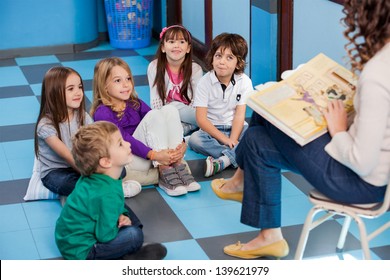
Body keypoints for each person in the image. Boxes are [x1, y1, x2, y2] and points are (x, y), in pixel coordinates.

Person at [211, 0, 390, 259]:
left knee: (265, 114)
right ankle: (266, 231)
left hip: (357, 183)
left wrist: (339, 129)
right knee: (258, 139)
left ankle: (242, 184)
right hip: (369, 175)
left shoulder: (377, 73)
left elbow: (362, 161)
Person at [55, 121, 167, 260]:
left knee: (128, 223)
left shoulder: (95, 178)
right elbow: (105, 235)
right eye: (120, 144)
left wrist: (121, 215)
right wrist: (118, 225)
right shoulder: (106, 193)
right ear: (106, 162)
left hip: (66, 242)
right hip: (83, 252)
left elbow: (108, 208)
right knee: (134, 235)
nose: (127, 144)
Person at [90, 57, 200, 196]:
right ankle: (164, 169)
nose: (125, 84)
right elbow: (123, 138)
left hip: (152, 155)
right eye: (118, 80)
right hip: (130, 159)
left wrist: (182, 144)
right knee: (154, 115)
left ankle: (177, 162)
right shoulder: (102, 112)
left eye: (128, 79)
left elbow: (160, 122)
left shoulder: (134, 102)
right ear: (104, 85)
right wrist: (154, 154)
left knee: (169, 110)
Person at [34, 66, 141, 200]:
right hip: (58, 171)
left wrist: (106, 166)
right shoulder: (45, 125)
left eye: (80, 87)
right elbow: (68, 156)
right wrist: (99, 175)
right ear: (54, 93)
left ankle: (99, 190)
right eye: (71, 89)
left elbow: (98, 143)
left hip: (82, 164)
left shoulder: (83, 116)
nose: (78, 92)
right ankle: (113, 189)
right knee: (66, 183)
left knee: (120, 170)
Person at [188, 33, 253, 177]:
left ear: (239, 63)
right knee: (194, 140)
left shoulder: (245, 81)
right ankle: (235, 156)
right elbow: (201, 119)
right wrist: (226, 141)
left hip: (237, 129)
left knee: (255, 136)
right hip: (212, 130)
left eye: (229, 57)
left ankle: (224, 160)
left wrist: (234, 139)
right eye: (218, 56)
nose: (222, 62)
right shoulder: (205, 82)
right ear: (212, 58)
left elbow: (239, 115)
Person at [147, 25, 203, 136]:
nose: (177, 46)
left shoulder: (195, 69)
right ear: (163, 47)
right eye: (171, 42)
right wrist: (163, 117)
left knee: (173, 107)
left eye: (182, 42)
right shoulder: (154, 67)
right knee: (162, 123)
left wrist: (176, 111)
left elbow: (195, 102)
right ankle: (189, 127)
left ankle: (204, 124)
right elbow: (155, 100)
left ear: (188, 48)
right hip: (165, 113)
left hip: (191, 111)